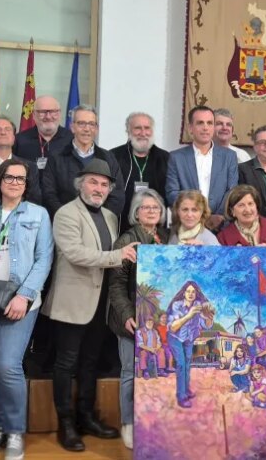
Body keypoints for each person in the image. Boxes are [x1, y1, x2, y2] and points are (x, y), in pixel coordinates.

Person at [41, 159, 137, 452]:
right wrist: (117, 256)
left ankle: (86, 416)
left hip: (100, 304)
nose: (99, 188)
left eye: (104, 184)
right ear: (80, 183)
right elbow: (75, 253)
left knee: (90, 362)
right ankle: (65, 424)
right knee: (66, 363)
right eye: (93, 182)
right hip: (72, 303)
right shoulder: (66, 214)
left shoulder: (109, 216)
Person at [0, 159, 53, 460]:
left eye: (21, 178)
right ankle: (1, 426)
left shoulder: (39, 214)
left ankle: (16, 430)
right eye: (9, 177)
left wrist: (25, 296)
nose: (15, 182)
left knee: (8, 365)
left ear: (27, 184)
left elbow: (44, 259)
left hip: (20, 300)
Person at [108, 189, 169, 449]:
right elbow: (116, 285)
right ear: (136, 213)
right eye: (146, 208)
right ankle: (128, 424)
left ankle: (153, 423)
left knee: (155, 373)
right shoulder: (127, 240)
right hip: (131, 319)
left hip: (156, 322)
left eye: (155, 208)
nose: (151, 211)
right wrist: (126, 316)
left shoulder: (165, 238)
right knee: (130, 374)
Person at [42, 105, 124, 219]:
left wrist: (98, 219)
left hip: (99, 225)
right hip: (65, 223)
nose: (86, 129)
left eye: (91, 124)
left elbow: (117, 195)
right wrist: (66, 217)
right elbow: (49, 194)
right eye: (81, 123)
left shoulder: (108, 158)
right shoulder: (56, 157)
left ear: (96, 129)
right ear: (72, 127)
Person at [165, 105, 238, 229]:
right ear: (190, 128)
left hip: (220, 226)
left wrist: (218, 217)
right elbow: (172, 192)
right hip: (187, 226)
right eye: (200, 123)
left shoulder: (229, 156)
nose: (205, 127)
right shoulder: (176, 157)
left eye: (209, 123)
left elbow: (232, 191)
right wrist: (195, 214)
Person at [110, 112, 170, 233]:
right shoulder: (114, 157)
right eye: (137, 128)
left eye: (147, 128)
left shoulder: (165, 158)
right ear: (128, 131)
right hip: (121, 226)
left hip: (155, 229)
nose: (143, 133)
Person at [166, 281, 215, 408]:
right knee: (181, 364)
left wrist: (209, 316)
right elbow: (173, 327)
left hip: (189, 338)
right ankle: (181, 396)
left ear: (196, 293)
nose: (191, 294)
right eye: (188, 291)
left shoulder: (200, 305)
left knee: (187, 364)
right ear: (183, 293)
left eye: (193, 291)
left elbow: (207, 326)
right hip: (175, 337)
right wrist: (189, 315)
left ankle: (186, 390)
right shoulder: (177, 305)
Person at [216, 184, 266, 263]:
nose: (247, 210)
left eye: (250, 204)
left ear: (256, 206)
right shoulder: (223, 238)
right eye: (241, 205)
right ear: (232, 211)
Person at [12, 95, 73, 170]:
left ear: (60, 114)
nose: (48, 117)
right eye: (42, 112)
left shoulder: (72, 139)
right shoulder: (19, 140)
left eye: (53, 111)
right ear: (34, 115)